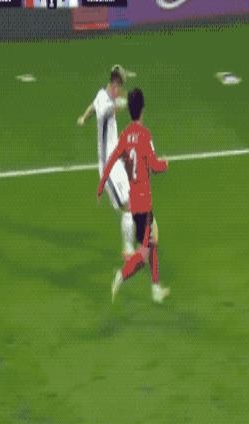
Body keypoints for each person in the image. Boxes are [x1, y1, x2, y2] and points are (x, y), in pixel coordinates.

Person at [97, 88, 170, 304]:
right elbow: (154, 166)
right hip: (143, 203)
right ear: (143, 109)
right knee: (144, 254)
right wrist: (165, 164)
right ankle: (121, 276)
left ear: (129, 110)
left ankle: (156, 288)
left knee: (152, 242)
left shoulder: (125, 136)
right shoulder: (145, 135)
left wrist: (101, 186)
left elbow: (111, 160)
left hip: (135, 201)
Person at [78, 65, 135, 256]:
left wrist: (84, 118)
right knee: (127, 207)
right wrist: (123, 104)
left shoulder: (101, 94)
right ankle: (128, 250)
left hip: (116, 162)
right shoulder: (106, 102)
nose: (121, 89)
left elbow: (92, 107)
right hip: (108, 167)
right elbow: (105, 109)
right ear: (115, 84)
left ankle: (131, 241)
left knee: (131, 201)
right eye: (121, 85)